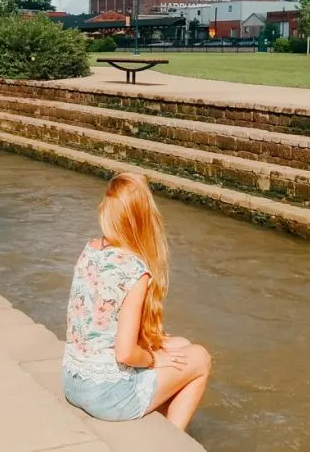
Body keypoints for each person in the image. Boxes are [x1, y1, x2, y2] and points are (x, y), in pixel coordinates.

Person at [62, 173, 211, 431]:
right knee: (199, 358)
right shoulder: (133, 269)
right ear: (143, 219)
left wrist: (158, 349)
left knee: (180, 345)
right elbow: (125, 352)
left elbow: (104, 326)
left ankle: (163, 426)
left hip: (73, 381)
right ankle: (170, 441)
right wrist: (154, 359)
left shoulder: (91, 250)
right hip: (106, 395)